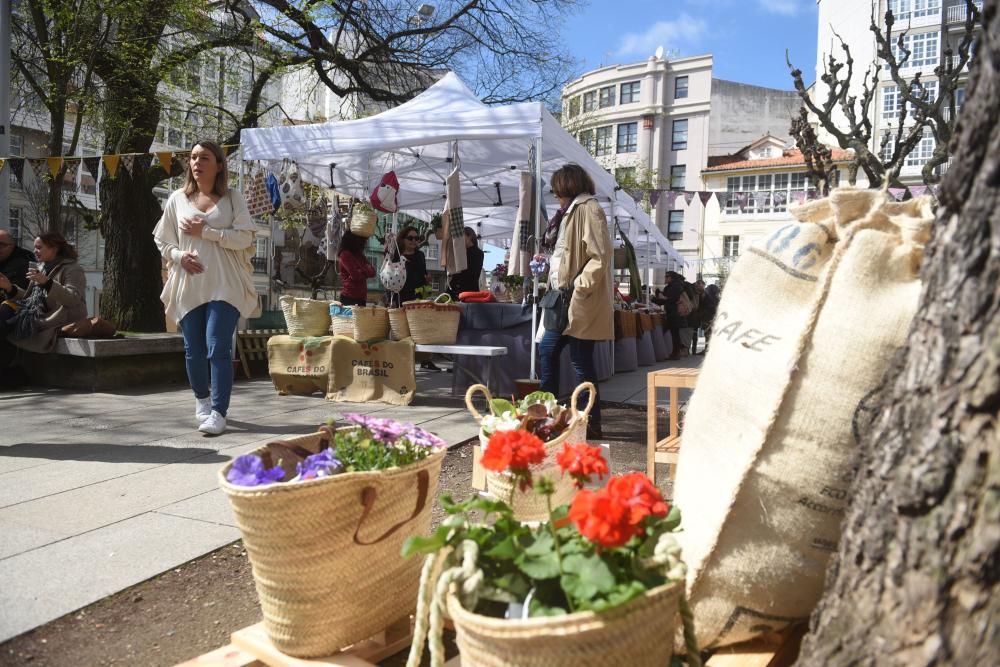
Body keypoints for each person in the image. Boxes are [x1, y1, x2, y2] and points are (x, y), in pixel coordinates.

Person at [153, 140, 257, 435]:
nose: (197, 162)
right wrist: (178, 256)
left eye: (204, 157)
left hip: (225, 283)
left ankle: (218, 413)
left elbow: (245, 239)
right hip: (189, 284)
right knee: (193, 350)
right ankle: (202, 398)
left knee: (217, 347)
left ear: (219, 165)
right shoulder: (176, 199)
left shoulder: (233, 197)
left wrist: (207, 232)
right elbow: (163, 240)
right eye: (193, 157)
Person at [538, 164, 612, 440]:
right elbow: (564, 255)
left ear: (567, 185)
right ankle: (549, 417)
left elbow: (599, 256)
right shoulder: (567, 213)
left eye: (558, 189)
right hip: (561, 298)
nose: (555, 194)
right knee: (549, 351)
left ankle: (587, 421)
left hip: (578, 298)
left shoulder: (588, 208)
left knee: (580, 361)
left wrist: (580, 287)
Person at [0, 232, 88, 386]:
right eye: (35, 248)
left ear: (54, 248)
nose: (35, 251)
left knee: (7, 318)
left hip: (59, 319)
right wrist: (9, 287)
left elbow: (73, 299)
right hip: (39, 315)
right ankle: (11, 374)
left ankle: (14, 375)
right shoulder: (42, 267)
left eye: (39, 248)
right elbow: (28, 298)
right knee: (5, 313)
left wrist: (47, 283)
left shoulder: (73, 269)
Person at [391, 225, 439, 370]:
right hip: (401, 296)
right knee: (402, 330)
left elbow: (423, 274)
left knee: (420, 330)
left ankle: (424, 359)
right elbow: (390, 277)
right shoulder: (396, 255)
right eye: (410, 238)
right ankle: (402, 359)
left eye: (416, 238)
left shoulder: (420, 255)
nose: (414, 241)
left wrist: (427, 280)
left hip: (417, 296)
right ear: (403, 239)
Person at [337, 230, 375, 306]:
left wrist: (360, 270)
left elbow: (373, 272)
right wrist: (365, 269)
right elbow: (356, 275)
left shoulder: (359, 255)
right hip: (349, 297)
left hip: (362, 298)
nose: (363, 243)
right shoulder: (345, 254)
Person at [447, 227, 484, 297]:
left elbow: (472, 273)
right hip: (456, 290)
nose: (460, 240)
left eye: (462, 236)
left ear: (470, 236)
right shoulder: (461, 252)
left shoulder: (478, 253)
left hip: (469, 292)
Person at [662, 271, 686, 360]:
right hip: (672, 313)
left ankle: (676, 352)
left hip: (675, 313)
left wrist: (663, 298)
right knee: (674, 333)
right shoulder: (671, 286)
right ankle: (676, 351)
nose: (665, 278)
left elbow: (671, 299)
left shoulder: (676, 286)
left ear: (671, 278)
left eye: (666, 277)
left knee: (674, 334)